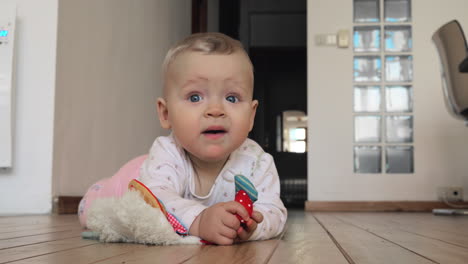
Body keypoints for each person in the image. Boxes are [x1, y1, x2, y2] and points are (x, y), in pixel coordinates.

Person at [78, 32, 287, 245]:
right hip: (136, 180)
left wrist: (253, 226)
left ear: (251, 116)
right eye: (195, 97)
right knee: (93, 212)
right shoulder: (167, 153)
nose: (215, 110)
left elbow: (274, 210)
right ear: (166, 114)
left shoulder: (256, 162)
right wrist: (199, 220)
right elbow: (158, 200)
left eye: (231, 98)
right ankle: (98, 191)